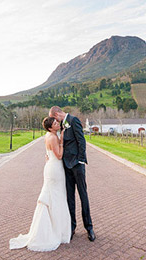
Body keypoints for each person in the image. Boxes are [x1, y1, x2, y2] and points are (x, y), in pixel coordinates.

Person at [9, 117, 71, 252]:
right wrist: (61, 142)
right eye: (55, 123)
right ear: (50, 128)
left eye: (57, 122)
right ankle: (54, 230)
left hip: (51, 166)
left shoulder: (48, 135)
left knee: (53, 196)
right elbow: (59, 155)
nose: (57, 124)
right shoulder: (54, 138)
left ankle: (55, 227)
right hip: (55, 169)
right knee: (55, 197)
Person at [49, 106, 95, 242]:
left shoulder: (73, 120)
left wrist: (81, 159)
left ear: (57, 114)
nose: (54, 121)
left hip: (77, 165)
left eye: (54, 118)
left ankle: (89, 227)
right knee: (70, 198)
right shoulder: (62, 125)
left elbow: (81, 141)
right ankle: (71, 227)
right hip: (66, 166)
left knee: (83, 195)